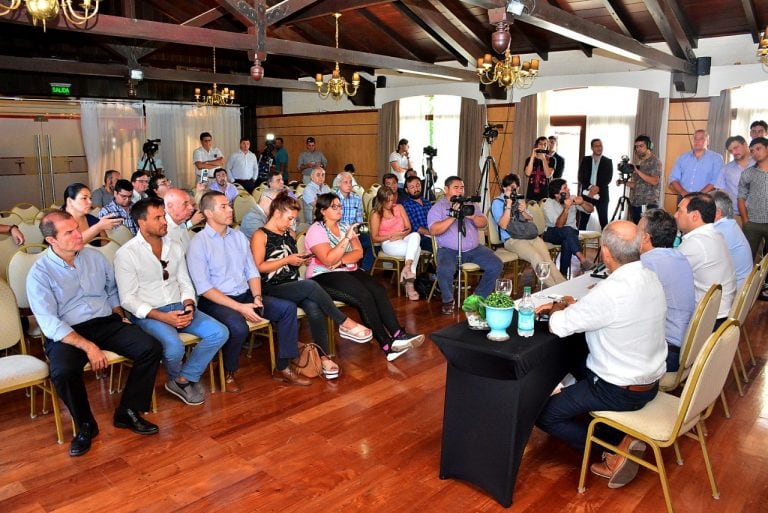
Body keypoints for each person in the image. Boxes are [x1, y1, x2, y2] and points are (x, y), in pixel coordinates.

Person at [536, 220, 666, 489]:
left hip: (618, 390)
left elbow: (559, 325)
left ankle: (613, 446)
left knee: (544, 414)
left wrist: (558, 307)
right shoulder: (650, 276)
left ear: (605, 252)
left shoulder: (611, 291)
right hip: (651, 381)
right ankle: (619, 430)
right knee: (575, 356)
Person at [27, 211, 163, 457]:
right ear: (52, 241)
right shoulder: (39, 273)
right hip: (67, 330)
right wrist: (89, 347)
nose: (79, 235)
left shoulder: (95, 257)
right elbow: (49, 323)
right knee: (64, 371)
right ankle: (85, 424)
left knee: (150, 347)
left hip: (104, 321)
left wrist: (119, 314)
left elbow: (111, 290)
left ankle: (128, 411)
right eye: (69, 232)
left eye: (76, 229)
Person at [186, 191, 308, 389]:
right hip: (216, 300)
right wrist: (240, 308)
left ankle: (283, 367)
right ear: (208, 213)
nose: (230, 209)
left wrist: (257, 296)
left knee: (286, 309)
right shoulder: (198, 243)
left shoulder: (238, 237)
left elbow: (252, 271)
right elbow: (204, 288)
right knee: (238, 326)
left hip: (245, 295)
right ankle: (227, 371)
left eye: (229, 205)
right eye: (223, 206)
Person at [114, 198, 228, 406]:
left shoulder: (174, 246)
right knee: (175, 347)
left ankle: (183, 378)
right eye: (157, 218)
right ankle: (175, 378)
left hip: (179, 306)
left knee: (219, 332)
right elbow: (128, 299)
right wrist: (163, 317)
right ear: (141, 222)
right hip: (151, 312)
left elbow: (184, 281)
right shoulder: (126, 254)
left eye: (163, 216)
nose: (164, 221)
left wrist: (189, 306)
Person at [252, 192, 376, 378]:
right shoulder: (260, 235)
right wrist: (287, 260)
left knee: (314, 306)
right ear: (277, 213)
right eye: (289, 218)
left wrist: (302, 260)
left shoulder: (289, 233)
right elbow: (258, 268)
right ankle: (344, 322)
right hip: (271, 287)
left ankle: (324, 357)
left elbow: (292, 260)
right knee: (310, 286)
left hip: (291, 283)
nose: (291, 223)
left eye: (293, 219)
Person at [304, 193, 424, 362]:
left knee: (378, 290)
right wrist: (345, 242)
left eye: (340, 206)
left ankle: (398, 333)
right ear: (323, 211)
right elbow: (327, 260)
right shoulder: (316, 230)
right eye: (334, 206)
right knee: (364, 296)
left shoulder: (345, 225)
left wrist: (340, 262)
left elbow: (358, 253)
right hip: (322, 275)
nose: (339, 209)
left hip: (345, 269)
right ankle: (386, 344)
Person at [427, 176, 503, 315]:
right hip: (448, 250)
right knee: (444, 269)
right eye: (456, 188)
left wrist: (472, 216)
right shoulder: (438, 208)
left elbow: (483, 223)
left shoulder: (470, 204)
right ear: (446, 190)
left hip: (474, 249)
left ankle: (478, 298)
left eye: (462, 188)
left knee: (496, 264)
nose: (460, 191)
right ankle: (448, 300)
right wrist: (453, 217)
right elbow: (433, 230)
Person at [637, 209, 695, 371]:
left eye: (637, 231)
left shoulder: (646, 263)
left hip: (667, 353)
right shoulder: (679, 257)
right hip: (685, 346)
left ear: (645, 238)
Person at [491, 173, 565, 287]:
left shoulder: (519, 198)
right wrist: (509, 205)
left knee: (547, 258)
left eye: (516, 188)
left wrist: (523, 210)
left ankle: (563, 285)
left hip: (528, 235)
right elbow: (503, 225)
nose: (514, 191)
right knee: (536, 257)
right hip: (512, 239)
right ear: (504, 188)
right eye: (511, 188)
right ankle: (552, 287)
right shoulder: (497, 202)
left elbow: (530, 219)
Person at [675, 192, 736, 324]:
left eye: (679, 211)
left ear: (695, 216)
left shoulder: (697, 243)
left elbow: (666, 277)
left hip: (707, 322)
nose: (675, 215)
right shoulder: (715, 234)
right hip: (721, 313)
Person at [369, 187, 422, 300]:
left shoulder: (399, 207)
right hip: (388, 241)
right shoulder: (376, 213)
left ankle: (407, 268)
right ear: (381, 200)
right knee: (416, 249)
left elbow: (409, 228)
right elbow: (374, 238)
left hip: (403, 237)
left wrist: (401, 235)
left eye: (392, 200)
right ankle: (409, 284)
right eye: (387, 201)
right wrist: (391, 236)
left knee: (416, 236)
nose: (390, 203)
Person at [541, 178, 595, 278]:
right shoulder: (548, 204)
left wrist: (582, 203)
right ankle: (582, 259)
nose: (568, 190)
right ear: (557, 194)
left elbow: (591, 210)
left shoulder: (572, 198)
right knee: (567, 230)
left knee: (567, 240)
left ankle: (563, 275)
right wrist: (566, 208)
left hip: (570, 233)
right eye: (565, 188)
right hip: (552, 233)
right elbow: (559, 225)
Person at [711, 190, 752, 292]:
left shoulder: (719, 232)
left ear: (717, 213)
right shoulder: (730, 225)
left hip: (733, 293)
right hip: (741, 287)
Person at [668, 129, 724, 200]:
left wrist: (697, 196)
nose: (697, 141)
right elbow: (673, 178)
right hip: (684, 198)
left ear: (708, 141)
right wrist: (684, 193)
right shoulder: (682, 157)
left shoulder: (716, 158)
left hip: (705, 200)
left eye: (701, 138)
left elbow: (716, 181)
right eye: (695, 138)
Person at [738, 136, 768, 260]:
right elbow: (741, 197)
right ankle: (749, 280)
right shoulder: (748, 173)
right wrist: (745, 220)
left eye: (758, 148)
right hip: (752, 223)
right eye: (752, 151)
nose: (755, 153)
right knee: (747, 258)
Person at [336, 170, 373, 271]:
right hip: (338, 232)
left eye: (350, 182)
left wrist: (356, 228)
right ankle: (345, 268)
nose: (349, 185)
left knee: (372, 243)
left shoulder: (356, 198)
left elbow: (359, 219)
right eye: (345, 182)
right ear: (338, 184)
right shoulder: (334, 199)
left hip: (355, 231)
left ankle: (364, 270)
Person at [577, 138, 613, 229]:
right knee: (583, 221)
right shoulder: (586, 160)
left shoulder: (608, 161)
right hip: (587, 194)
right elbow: (581, 177)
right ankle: (579, 242)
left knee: (603, 221)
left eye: (600, 145)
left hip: (602, 195)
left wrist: (597, 188)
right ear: (592, 148)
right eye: (596, 146)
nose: (599, 148)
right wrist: (590, 186)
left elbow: (608, 178)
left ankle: (605, 242)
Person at [625, 135, 662, 224]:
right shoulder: (640, 162)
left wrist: (638, 172)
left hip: (648, 203)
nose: (638, 149)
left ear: (648, 146)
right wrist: (624, 182)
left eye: (641, 146)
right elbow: (637, 185)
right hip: (637, 202)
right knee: (638, 230)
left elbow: (654, 181)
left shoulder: (654, 161)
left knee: (647, 231)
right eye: (637, 147)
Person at [716, 136, 753, 222]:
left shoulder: (761, 163)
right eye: (731, 151)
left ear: (745, 144)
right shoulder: (726, 169)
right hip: (736, 217)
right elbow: (721, 193)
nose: (734, 152)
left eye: (736, 148)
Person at [163, 188, 204, 252]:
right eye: (185, 204)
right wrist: (191, 223)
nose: (191, 208)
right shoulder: (163, 231)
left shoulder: (181, 223)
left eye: (192, 205)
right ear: (170, 206)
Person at [401, 175, 434, 252]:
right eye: (412, 187)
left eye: (418, 185)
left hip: (433, 233)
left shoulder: (427, 202)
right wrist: (432, 234)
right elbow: (415, 227)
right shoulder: (406, 205)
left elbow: (435, 219)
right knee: (439, 248)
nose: (416, 189)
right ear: (407, 190)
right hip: (419, 237)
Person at [524, 136, 555, 202]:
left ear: (547, 147)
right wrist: (532, 157)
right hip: (531, 194)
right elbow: (527, 173)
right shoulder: (529, 159)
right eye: (540, 144)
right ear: (536, 145)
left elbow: (548, 175)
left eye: (545, 144)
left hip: (545, 194)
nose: (542, 146)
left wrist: (543, 159)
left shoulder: (552, 160)